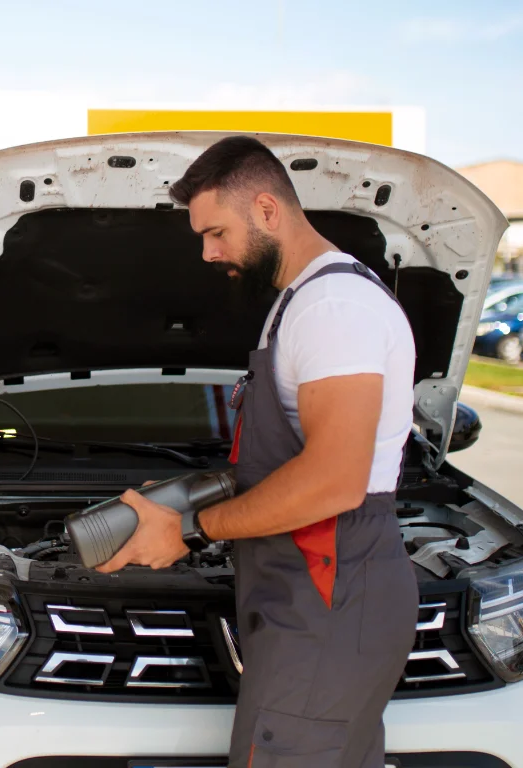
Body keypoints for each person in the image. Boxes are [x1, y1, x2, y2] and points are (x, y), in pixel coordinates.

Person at [98, 136, 418, 767]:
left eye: (216, 231)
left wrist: (189, 530)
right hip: (309, 589)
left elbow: (333, 480)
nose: (208, 252)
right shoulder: (301, 301)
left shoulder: (334, 306)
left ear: (267, 210)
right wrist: (187, 496)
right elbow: (286, 456)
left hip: (332, 584)